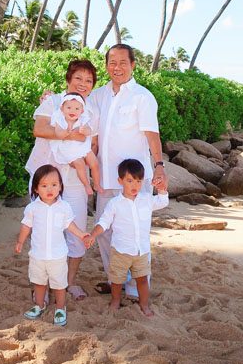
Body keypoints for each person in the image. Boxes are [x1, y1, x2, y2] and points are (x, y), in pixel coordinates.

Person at [87, 44, 168, 299]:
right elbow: (78, 114)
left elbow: (152, 137)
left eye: (123, 62)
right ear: (106, 65)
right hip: (106, 177)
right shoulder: (98, 96)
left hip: (133, 180)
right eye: (112, 62)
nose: (117, 67)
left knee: (135, 233)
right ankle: (117, 280)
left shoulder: (142, 97)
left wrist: (159, 167)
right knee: (105, 232)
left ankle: (134, 288)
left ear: (133, 65)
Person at [25, 59, 99, 300]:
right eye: (78, 78)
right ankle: (42, 286)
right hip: (46, 174)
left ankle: (69, 282)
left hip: (76, 179)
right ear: (68, 79)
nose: (82, 84)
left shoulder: (91, 111)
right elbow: (39, 129)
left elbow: (93, 143)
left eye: (88, 81)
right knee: (43, 232)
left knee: (76, 228)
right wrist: (70, 135)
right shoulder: (52, 101)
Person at [86, 158, 168, 317]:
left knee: (142, 279)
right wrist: (92, 235)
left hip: (141, 250)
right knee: (117, 280)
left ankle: (144, 305)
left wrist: (162, 189)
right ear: (120, 181)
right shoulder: (115, 203)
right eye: (129, 181)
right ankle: (115, 301)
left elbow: (162, 202)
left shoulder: (146, 200)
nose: (134, 185)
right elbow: (104, 222)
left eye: (138, 181)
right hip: (120, 250)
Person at [14, 165, 90, 326]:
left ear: (60, 186)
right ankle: (39, 306)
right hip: (37, 255)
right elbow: (26, 226)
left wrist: (81, 234)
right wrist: (20, 242)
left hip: (57, 255)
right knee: (38, 282)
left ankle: (60, 308)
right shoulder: (33, 208)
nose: (50, 189)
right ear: (36, 188)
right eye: (44, 185)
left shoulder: (64, 207)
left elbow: (70, 225)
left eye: (54, 185)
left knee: (59, 284)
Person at [50, 93, 104, 197]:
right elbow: (57, 133)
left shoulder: (83, 119)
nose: (72, 111)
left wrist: (84, 131)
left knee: (95, 164)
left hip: (82, 146)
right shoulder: (60, 120)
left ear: (81, 111)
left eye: (76, 109)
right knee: (80, 164)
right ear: (62, 109)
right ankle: (87, 184)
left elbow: (90, 131)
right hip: (69, 148)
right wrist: (65, 133)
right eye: (69, 108)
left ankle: (97, 184)